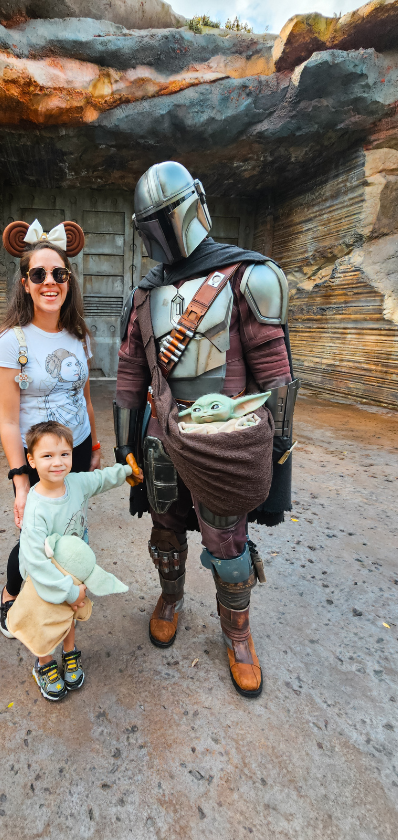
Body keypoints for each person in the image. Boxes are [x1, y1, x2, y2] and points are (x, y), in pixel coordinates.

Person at [114, 161, 299, 698]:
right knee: (166, 525)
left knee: (228, 540)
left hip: (226, 438)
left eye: (163, 218)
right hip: (161, 434)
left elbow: (275, 370)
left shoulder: (249, 276)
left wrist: (279, 443)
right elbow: (130, 372)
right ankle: (170, 598)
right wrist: (126, 442)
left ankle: (238, 634)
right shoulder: (145, 293)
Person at [0, 218, 101, 638]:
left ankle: (58, 588)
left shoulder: (79, 336)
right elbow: (9, 419)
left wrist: (94, 442)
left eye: (58, 274)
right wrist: (20, 479)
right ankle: (11, 591)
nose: (49, 281)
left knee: (68, 526)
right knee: (38, 536)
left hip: (77, 450)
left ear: (68, 281)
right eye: (39, 274)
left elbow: (84, 397)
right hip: (38, 459)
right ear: (25, 283)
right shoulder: (10, 343)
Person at [5, 420, 135, 701]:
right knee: (46, 621)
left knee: (69, 615)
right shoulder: (35, 508)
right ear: (31, 460)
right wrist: (67, 590)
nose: (57, 463)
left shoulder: (75, 483)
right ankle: (44, 664)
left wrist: (126, 472)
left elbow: (100, 480)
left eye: (64, 454)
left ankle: (69, 653)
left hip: (72, 572)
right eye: (47, 456)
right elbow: (35, 561)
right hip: (43, 580)